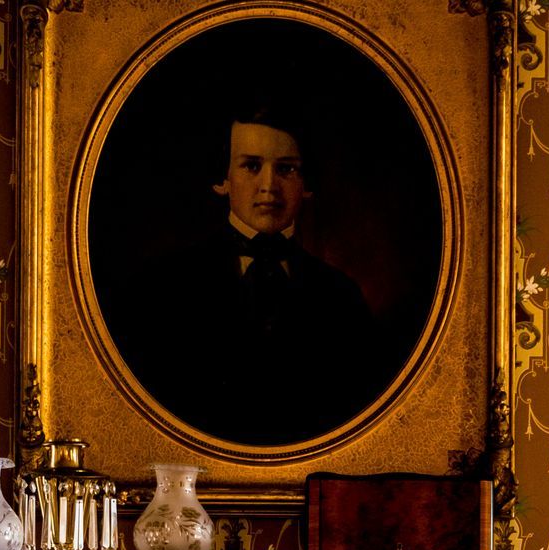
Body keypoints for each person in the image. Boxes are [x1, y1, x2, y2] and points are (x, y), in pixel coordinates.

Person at [128, 104, 386, 447]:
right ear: (223, 179)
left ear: (306, 184)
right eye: (251, 166)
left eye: (286, 169)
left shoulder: (341, 296)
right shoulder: (165, 286)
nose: (269, 186)